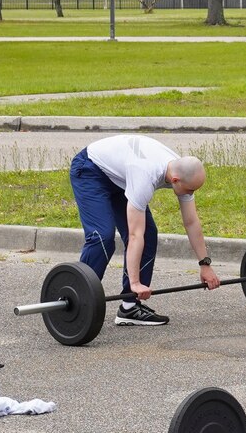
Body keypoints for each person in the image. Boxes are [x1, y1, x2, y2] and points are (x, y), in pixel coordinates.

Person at [69, 133, 218, 327]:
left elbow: (191, 222)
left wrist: (204, 264)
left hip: (119, 175)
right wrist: (135, 282)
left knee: (148, 235)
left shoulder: (181, 170)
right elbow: (134, 235)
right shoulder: (145, 176)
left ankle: (129, 307)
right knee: (102, 237)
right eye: (190, 191)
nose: (191, 194)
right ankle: (78, 302)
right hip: (90, 169)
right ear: (174, 180)